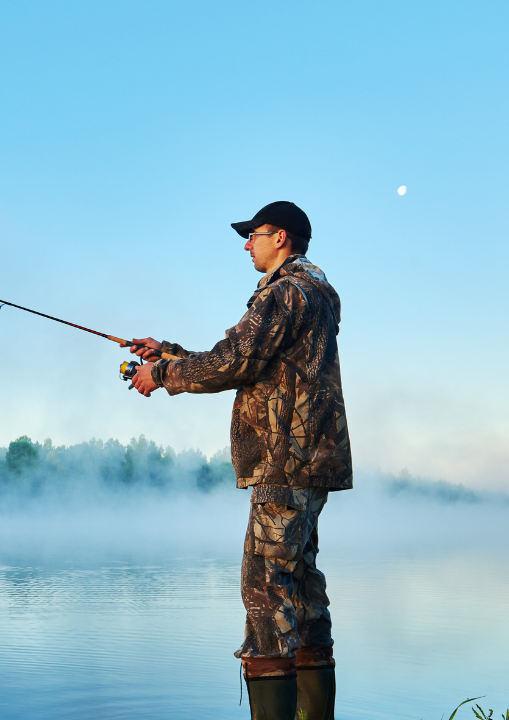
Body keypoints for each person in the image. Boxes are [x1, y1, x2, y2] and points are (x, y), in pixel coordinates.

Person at [123, 200, 352, 720]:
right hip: (310, 464)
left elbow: (234, 362)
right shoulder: (312, 293)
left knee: (265, 592)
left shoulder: (284, 293)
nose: (247, 244)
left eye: (254, 234)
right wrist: (170, 352)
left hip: (282, 463)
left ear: (281, 237)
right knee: (302, 588)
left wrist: (161, 376)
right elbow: (250, 360)